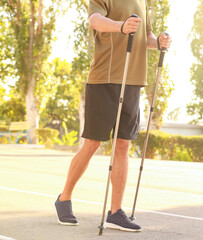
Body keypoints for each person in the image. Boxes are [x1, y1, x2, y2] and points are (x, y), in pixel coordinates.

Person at [54, 0, 172, 232]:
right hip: (104, 79)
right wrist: (121, 26)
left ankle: (115, 212)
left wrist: (158, 42)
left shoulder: (142, 2)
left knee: (123, 144)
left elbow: (144, 36)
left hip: (133, 80)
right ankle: (64, 198)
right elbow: (95, 20)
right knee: (92, 143)